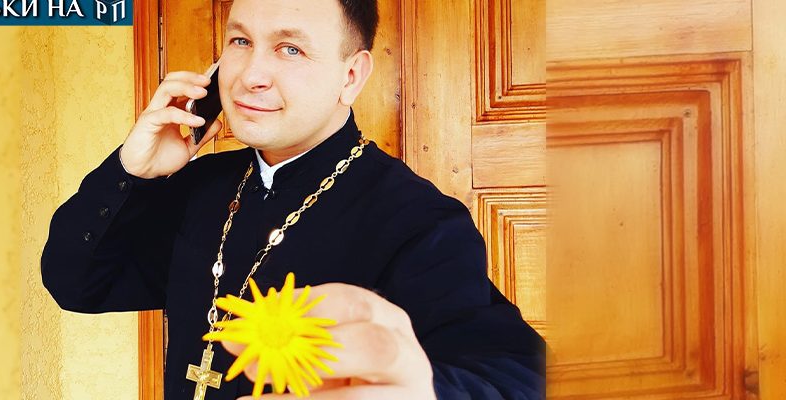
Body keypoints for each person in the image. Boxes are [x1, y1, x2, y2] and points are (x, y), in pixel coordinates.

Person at [40, 0, 546, 398]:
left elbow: (512, 375)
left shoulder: (418, 219)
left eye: (290, 49)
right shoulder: (200, 185)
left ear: (351, 76)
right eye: (241, 41)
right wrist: (132, 172)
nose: (250, 75)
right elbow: (76, 285)